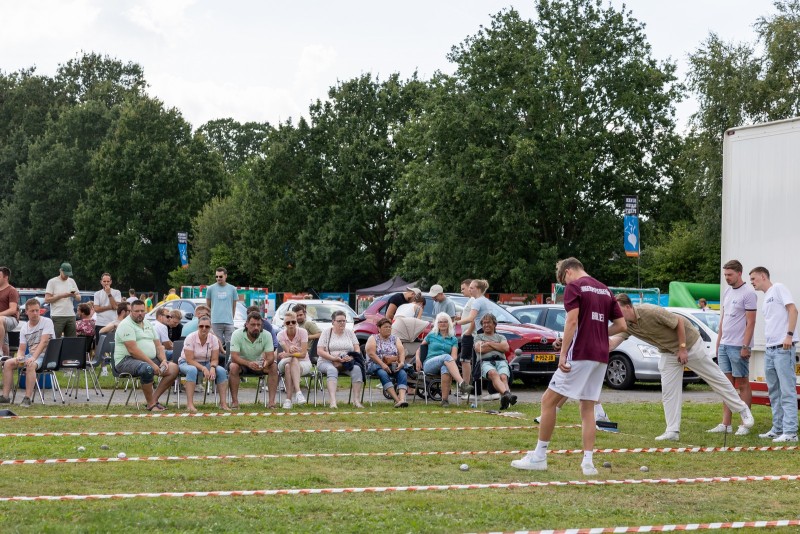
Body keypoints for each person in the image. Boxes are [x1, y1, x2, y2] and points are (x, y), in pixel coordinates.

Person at [512, 258, 626, 476]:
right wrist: (598, 334)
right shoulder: (605, 290)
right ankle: (588, 463)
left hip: (580, 353)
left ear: (569, 271)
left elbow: (572, 322)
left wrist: (562, 353)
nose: (565, 283)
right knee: (588, 408)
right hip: (600, 355)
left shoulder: (575, 286)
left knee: (548, 401)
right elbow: (622, 325)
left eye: (563, 278)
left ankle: (539, 456)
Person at [611, 293, 754, 441]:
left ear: (628, 307)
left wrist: (682, 348)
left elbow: (678, 322)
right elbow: (613, 342)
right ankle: (672, 431)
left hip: (689, 344)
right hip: (668, 352)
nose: (616, 314)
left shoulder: (649, 311)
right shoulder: (625, 325)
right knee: (668, 391)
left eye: (618, 310)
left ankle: (742, 409)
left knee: (715, 378)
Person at [749, 267, 798, 442]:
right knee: (774, 391)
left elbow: (793, 310)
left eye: (754, 278)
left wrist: (789, 336)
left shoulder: (778, 288)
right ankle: (778, 429)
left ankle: (790, 432)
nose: (752, 282)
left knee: (787, 390)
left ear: (763, 276)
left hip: (783, 348)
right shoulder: (766, 298)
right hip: (770, 349)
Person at [709, 259, 757, 435]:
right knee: (726, 386)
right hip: (724, 345)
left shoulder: (749, 293)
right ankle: (726, 424)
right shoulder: (728, 292)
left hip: (738, 346)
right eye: (725, 275)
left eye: (730, 275)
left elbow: (751, 322)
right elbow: (723, 320)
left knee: (742, 383)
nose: (727, 278)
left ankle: (745, 424)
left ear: (739, 273)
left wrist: (745, 345)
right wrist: (718, 341)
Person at [113, 300, 179, 411]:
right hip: (126, 360)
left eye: (142, 311)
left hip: (149, 359)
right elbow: (133, 350)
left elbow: (159, 346)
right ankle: (151, 404)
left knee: (173, 368)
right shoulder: (125, 325)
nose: (140, 313)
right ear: (131, 312)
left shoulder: (148, 323)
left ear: (145, 311)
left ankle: (154, 399)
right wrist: (153, 364)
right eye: (136, 311)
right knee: (147, 368)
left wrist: (163, 360)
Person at [0, 299, 54, 407]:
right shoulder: (25, 327)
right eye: (32, 311)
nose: (35, 313)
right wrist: (20, 356)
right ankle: (5, 396)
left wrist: (33, 358)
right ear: (26, 312)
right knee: (8, 363)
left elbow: (43, 342)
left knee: (30, 365)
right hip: (32, 355)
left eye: (37, 310)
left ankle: (27, 398)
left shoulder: (47, 321)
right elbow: (21, 348)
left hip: (47, 355)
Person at [415, 312, 473, 407]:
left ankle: (444, 401)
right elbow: (420, 348)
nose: (442, 324)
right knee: (446, 357)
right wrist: (417, 359)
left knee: (446, 369)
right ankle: (462, 383)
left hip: (445, 363)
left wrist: (447, 361)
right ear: (437, 324)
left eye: (445, 322)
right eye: (440, 322)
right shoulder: (432, 335)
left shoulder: (453, 339)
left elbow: (454, 356)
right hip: (429, 364)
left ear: (449, 323)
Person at [177, 316, 230, 413]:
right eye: (201, 326)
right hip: (186, 362)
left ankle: (223, 403)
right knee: (192, 370)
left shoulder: (213, 339)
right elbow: (189, 360)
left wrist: (213, 367)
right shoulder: (190, 337)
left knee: (221, 371)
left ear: (210, 328)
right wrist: (204, 369)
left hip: (206, 362)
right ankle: (190, 404)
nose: (204, 328)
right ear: (198, 326)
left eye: (207, 326)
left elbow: (214, 359)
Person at [229, 312, 277, 409]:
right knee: (233, 367)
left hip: (260, 364)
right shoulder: (236, 334)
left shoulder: (267, 335)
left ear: (261, 325)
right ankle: (235, 402)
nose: (256, 327)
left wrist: (266, 363)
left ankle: (271, 402)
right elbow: (234, 357)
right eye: (253, 324)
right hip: (242, 363)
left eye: (258, 325)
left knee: (273, 366)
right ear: (246, 324)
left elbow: (271, 356)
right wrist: (248, 363)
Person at [316, 310, 364, 409]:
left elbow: (357, 348)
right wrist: (334, 358)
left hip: (346, 362)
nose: (342, 323)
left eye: (344, 321)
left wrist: (351, 357)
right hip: (327, 361)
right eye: (339, 321)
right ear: (333, 322)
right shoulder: (326, 332)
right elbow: (320, 351)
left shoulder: (350, 332)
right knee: (332, 370)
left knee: (357, 369)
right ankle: (333, 402)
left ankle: (356, 401)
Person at [456, 279, 492, 393]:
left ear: (478, 289)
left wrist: (456, 323)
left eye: (471, 288)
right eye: (469, 288)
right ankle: (490, 391)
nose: (469, 290)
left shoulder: (477, 301)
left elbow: (471, 318)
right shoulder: (483, 300)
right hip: (484, 333)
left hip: (480, 333)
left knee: (478, 363)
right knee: (482, 362)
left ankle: (477, 392)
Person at [474, 313, 516, 410]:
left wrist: (488, 343)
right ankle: (507, 395)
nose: (486, 325)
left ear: (494, 324)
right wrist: (497, 347)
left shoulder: (501, 337)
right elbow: (479, 349)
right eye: (484, 323)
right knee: (493, 373)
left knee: (503, 377)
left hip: (501, 361)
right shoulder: (478, 337)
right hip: (485, 362)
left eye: (488, 322)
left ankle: (505, 400)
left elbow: (505, 348)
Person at [366, 317, 408, 408]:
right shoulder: (373, 338)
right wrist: (382, 364)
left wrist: (401, 362)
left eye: (390, 327)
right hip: (376, 364)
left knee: (402, 373)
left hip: (393, 364)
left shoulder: (395, 339)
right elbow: (371, 354)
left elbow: (401, 351)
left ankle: (402, 399)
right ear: (379, 328)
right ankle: (397, 400)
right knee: (382, 373)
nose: (388, 329)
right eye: (385, 327)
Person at [276, 311, 312, 409]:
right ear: (284, 324)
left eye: (293, 322)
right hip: (287, 360)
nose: (291, 324)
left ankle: (288, 400)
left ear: (296, 322)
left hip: (303, 362)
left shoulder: (303, 332)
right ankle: (298, 392)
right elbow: (290, 354)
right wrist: (290, 353)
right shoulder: (280, 335)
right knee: (292, 360)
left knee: (289, 366)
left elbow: (303, 354)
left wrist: (288, 353)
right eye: (288, 322)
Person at [206, 267, 239, 350]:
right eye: (216, 276)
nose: (218, 278)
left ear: (225, 276)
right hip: (215, 321)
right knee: (216, 345)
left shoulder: (232, 289)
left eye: (220, 276)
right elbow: (208, 306)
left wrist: (232, 318)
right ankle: (217, 362)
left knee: (230, 345)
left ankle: (228, 362)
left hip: (229, 321)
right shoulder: (210, 288)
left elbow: (234, 306)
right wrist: (211, 318)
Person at [44, 262, 80, 338]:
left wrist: (73, 295)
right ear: (60, 271)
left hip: (71, 315)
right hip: (57, 315)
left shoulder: (71, 281)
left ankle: (69, 350)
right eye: (65, 274)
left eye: (68, 274)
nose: (67, 276)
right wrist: (61, 296)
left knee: (71, 340)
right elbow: (47, 299)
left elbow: (79, 298)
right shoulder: (52, 282)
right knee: (55, 339)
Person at [93, 273, 121, 342]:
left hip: (113, 323)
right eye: (104, 281)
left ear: (111, 282)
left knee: (111, 345)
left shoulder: (116, 292)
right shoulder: (97, 294)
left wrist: (109, 293)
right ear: (101, 282)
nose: (106, 283)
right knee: (99, 345)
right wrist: (109, 307)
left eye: (108, 281)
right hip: (100, 323)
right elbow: (96, 309)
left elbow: (116, 307)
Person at [0, 267, 19, 358]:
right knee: (4, 340)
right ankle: (5, 362)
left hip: (11, 319)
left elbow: (13, 309)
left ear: (5, 277)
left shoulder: (12, 290)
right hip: (2, 321)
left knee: (0, 320)